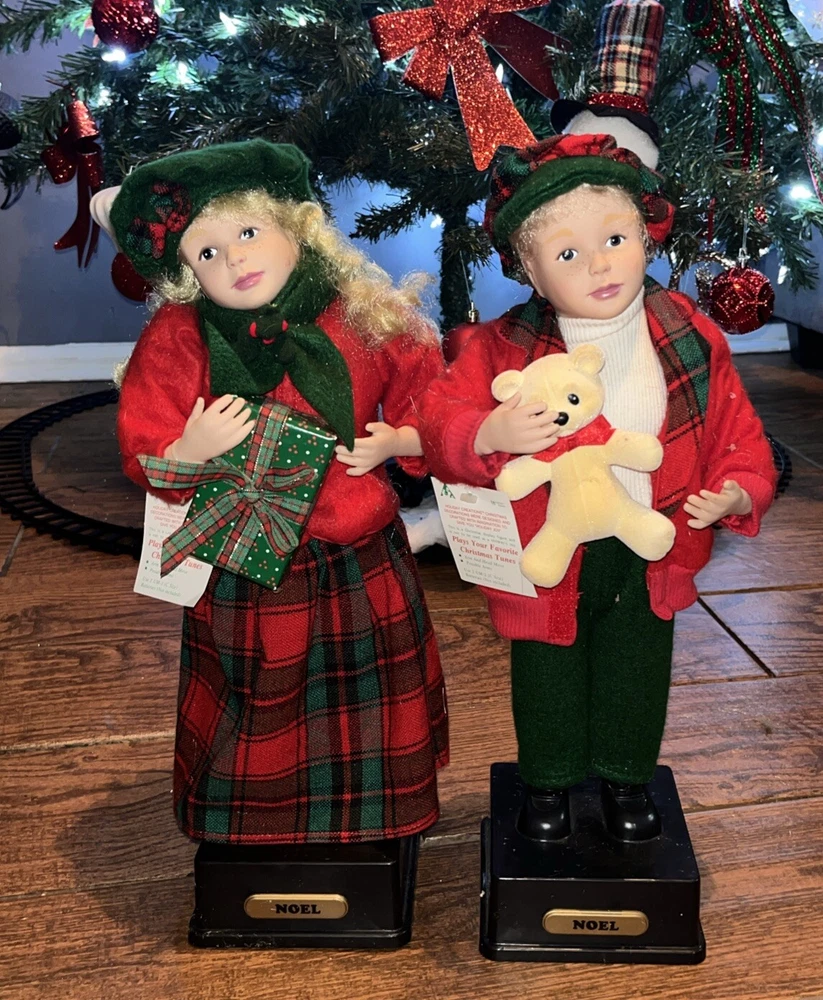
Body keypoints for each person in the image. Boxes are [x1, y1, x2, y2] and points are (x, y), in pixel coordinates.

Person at [418, 132, 776, 843]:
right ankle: (548, 782)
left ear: (645, 234)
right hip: (547, 551)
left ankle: (625, 776)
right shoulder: (499, 347)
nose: (599, 265)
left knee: (636, 668)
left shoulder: (687, 336)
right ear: (529, 268)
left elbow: (733, 428)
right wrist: (485, 432)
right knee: (546, 668)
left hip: (651, 542)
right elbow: (437, 414)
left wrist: (738, 488)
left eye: (614, 239)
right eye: (567, 254)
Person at [95, 138, 448, 845]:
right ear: (186, 272)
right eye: (207, 252)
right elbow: (144, 438)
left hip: (356, 545)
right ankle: (254, 824)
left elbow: (431, 392)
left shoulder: (361, 311)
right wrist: (187, 450)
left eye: (249, 233)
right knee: (257, 693)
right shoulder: (180, 335)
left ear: (296, 228)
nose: (234, 260)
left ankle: (374, 817)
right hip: (244, 557)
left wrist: (402, 440)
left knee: (372, 697)